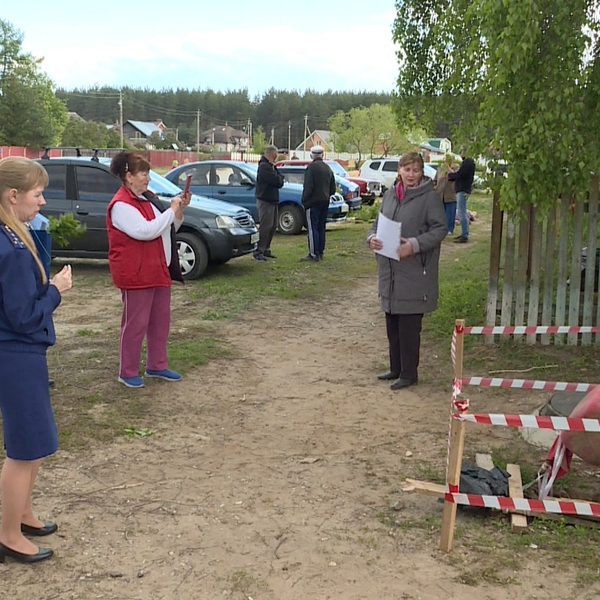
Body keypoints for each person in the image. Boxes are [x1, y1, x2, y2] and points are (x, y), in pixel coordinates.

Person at [0, 157, 73, 564]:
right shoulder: (7, 247)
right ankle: (9, 534)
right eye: (37, 194)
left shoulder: (14, 234)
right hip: (14, 351)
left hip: (22, 351)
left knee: (37, 443)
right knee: (24, 448)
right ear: (13, 196)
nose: (42, 202)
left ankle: (22, 513)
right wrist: (57, 289)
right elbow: (24, 314)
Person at [107, 151, 189, 388]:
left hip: (157, 269)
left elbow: (169, 226)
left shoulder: (148, 198)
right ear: (129, 176)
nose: (148, 178)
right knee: (135, 324)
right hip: (136, 273)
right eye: (144, 173)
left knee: (160, 322)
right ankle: (128, 370)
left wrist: (179, 210)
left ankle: (157, 365)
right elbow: (145, 231)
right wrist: (171, 211)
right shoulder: (121, 205)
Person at [367, 151, 447, 390]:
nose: (411, 175)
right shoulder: (391, 195)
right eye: (406, 169)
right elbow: (376, 224)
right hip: (390, 271)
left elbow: (440, 229)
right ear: (399, 171)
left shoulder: (429, 198)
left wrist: (413, 245)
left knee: (409, 327)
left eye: (415, 170)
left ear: (422, 173)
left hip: (414, 273)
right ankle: (396, 368)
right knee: (392, 323)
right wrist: (372, 238)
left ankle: (409, 373)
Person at [301, 145, 335, 262]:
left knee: (312, 228)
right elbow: (333, 189)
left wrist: (304, 201)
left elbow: (308, 187)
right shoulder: (328, 168)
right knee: (321, 227)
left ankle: (313, 254)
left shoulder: (311, 168)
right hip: (325, 202)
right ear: (323, 155)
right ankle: (320, 252)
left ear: (312, 155)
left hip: (313, 202)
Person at [254, 145, 284, 262]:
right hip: (265, 200)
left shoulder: (271, 166)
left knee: (273, 225)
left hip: (273, 199)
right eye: (275, 155)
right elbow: (277, 181)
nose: (276, 157)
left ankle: (267, 248)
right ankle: (259, 251)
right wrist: (279, 178)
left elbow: (280, 177)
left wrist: (279, 178)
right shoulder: (264, 167)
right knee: (265, 226)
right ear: (272, 155)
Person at [447, 144, 475, 243]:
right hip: (463, 189)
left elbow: (460, 175)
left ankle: (465, 235)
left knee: (462, 212)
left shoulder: (468, 162)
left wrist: (450, 175)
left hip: (463, 189)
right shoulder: (467, 162)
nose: (461, 153)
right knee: (462, 211)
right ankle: (464, 233)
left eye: (462, 151)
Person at [433, 155, 457, 235]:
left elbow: (454, 176)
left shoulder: (456, 168)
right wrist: (435, 187)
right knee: (441, 213)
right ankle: (441, 228)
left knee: (450, 213)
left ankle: (450, 228)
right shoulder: (440, 168)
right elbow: (435, 180)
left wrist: (448, 168)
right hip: (440, 193)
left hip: (450, 194)